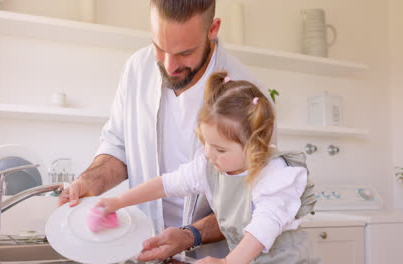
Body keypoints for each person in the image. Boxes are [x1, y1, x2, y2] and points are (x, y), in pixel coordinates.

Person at [58, 0, 274, 260]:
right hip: (141, 246)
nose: (170, 66)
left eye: (185, 53)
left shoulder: (249, 98)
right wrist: (89, 183)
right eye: (159, 48)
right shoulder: (137, 68)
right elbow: (119, 147)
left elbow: (250, 204)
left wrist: (188, 235)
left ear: (213, 29)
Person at [96, 72, 316, 264]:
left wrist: (228, 262)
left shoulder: (275, 175)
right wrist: (118, 202)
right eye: (206, 143)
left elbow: (263, 228)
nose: (210, 154)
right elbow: (166, 184)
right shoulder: (208, 164)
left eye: (220, 149)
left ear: (253, 146)